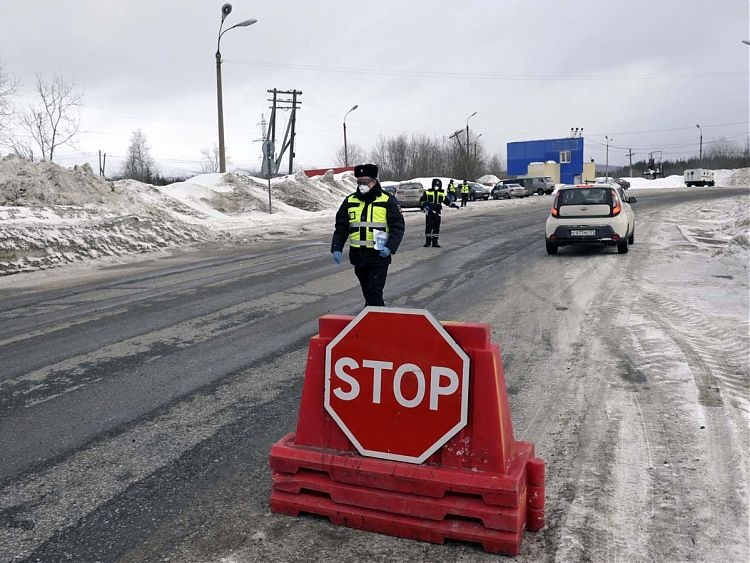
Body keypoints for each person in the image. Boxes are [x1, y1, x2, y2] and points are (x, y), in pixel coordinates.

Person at [331, 163, 405, 307]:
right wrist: (336, 247)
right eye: (359, 182)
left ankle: (374, 317)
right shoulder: (350, 201)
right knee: (368, 292)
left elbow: (398, 227)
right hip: (358, 256)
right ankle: (377, 316)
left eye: (365, 182)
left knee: (374, 291)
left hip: (378, 256)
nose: (362, 185)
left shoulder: (387, 200)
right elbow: (341, 227)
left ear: (374, 182)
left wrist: (390, 247)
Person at [419, 178, 457, 248]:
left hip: (437, 212)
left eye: (438, 185)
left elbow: (447, 202)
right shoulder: (428, 192)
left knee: (436, 227)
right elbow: (422, 201)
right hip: (429, 212)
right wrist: (425, 206)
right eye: (435, 185)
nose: (436, 186)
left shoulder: (441, 193)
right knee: (428, 227)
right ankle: (428, 242)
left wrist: (453, 205)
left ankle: (435, 242)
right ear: (433, 185)